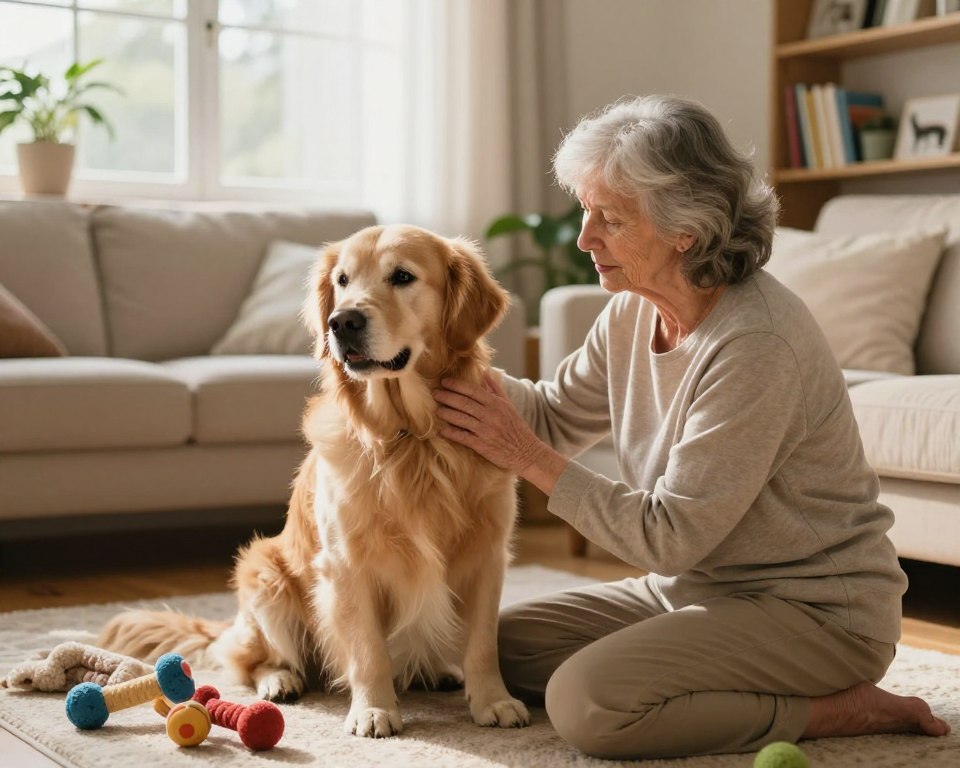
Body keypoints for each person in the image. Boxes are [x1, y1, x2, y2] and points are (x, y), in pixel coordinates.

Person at [432, 94, 951, 759]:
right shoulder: (628, 314)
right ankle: (706, 671)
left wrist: (526, 457)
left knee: (588, 704)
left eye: (610, 219)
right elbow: (555, 416)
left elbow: (668, 537)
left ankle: (827, 710)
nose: (586, 238)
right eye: (586, 212)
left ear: (687, 230)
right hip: (694, 591)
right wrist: (441, 364)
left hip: (815, 613)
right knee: (475, 643)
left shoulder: (757, 343)